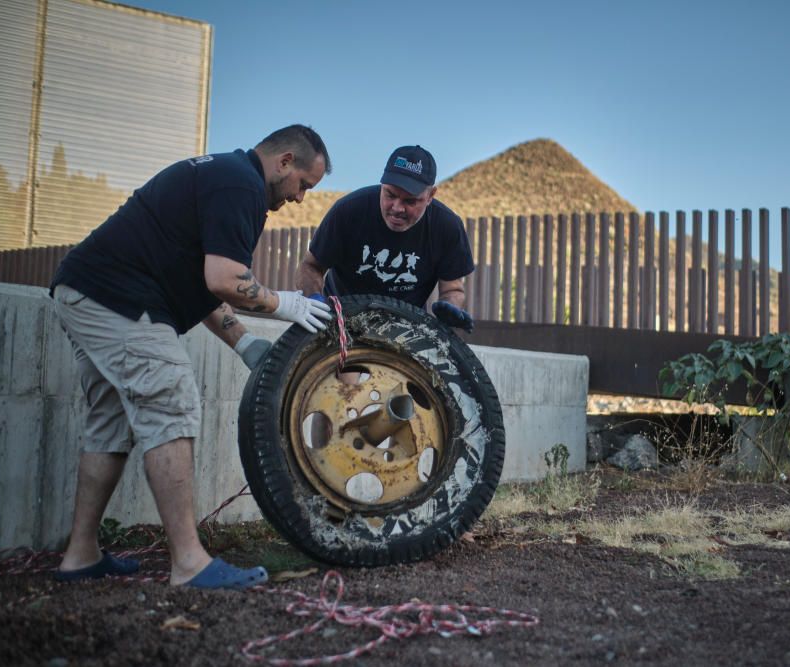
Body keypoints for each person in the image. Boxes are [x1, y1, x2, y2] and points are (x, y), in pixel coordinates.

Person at [49, 125, 334, 589]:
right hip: (118, 297)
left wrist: (244, 342)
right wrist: (289, 303)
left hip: (88, 291)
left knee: (111, 420)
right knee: (172, 399)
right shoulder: (240, 184)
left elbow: (200, 284)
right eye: (304, 184)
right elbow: (224, 279)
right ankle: (189, 563)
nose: (301, 198)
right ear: (284, 162)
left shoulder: (225, 175)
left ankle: (80, 555)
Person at [295, 145, 475, 331]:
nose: (397, 208)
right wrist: (314, 300)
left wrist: (451, 307)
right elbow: (310, 266)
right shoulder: (349, 211)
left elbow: (453, 289)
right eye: (390, 194)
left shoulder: (447, 227)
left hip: (405, 328)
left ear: (430, 196)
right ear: (382, 184)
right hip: (341, 320)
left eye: (410, 201)